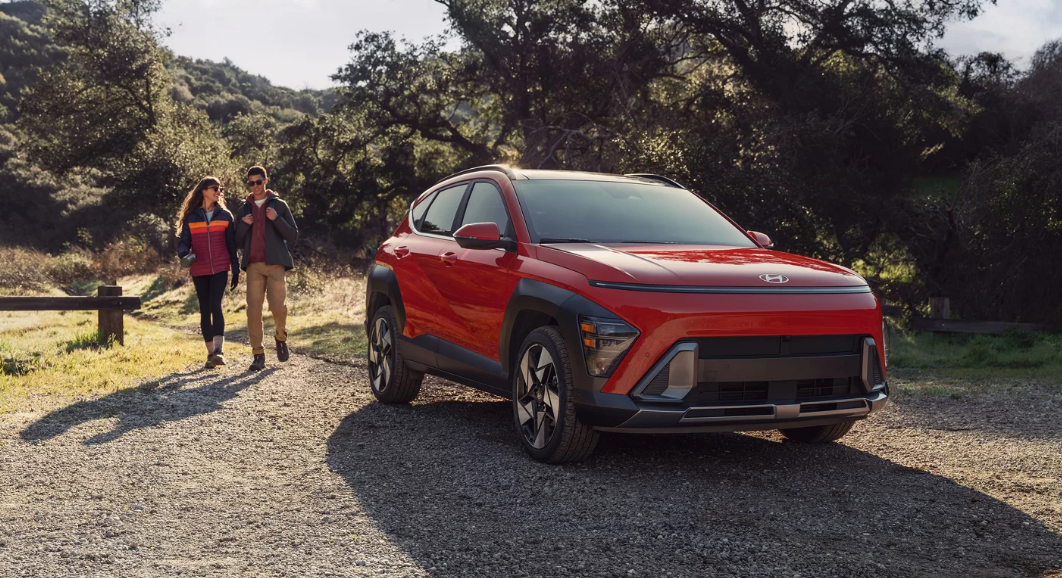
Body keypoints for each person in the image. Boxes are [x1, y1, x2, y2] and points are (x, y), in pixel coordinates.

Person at [234, 165, 299, 371]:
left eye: (258, 182)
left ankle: (281, 338)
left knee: (278, 307)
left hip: (276, 264)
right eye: (251, 183)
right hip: (253, 265)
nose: (255, 186)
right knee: (253, 310)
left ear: (266, 181)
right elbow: (235, 240)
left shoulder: (279, 205)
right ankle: (258, 354)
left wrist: (276, 219)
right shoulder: (243, 209)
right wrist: (244, 224)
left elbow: (293, 236)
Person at [175, 176, 240, 369]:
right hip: (199, 268)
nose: (219, 191)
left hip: (220, 266)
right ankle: (210, 354)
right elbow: (183, 241)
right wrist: (184, 254)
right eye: (215, 188)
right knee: (204, 308)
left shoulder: (226, 216)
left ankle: (219, 352)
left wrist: (235, 269)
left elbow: (231, 245)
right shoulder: (192, 217)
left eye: (220, 189)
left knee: (215, 303)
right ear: (204, 191)